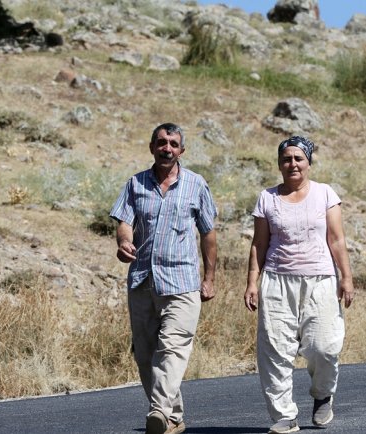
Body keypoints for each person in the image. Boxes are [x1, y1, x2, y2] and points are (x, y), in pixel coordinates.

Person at [110, 122, 218, 434]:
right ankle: (173, 417)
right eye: (161, 142)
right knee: (145, 355)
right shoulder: (135, 183)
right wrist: (124, 242)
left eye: (173, 143)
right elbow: (124, 222)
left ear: (181, 150)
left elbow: (208, 234)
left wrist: (209, 278)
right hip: (143, 280)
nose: (166, 148)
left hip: (182, 282)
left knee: (171, 347)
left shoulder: (196, 185)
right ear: (152, 147)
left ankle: (158, 410)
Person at [244, 135, 355, 434]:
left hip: (320, 280)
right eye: (286, 159)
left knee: (324, 346)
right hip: (277, 281)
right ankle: (284, 416)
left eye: (298, 158)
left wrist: (346, 277)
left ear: (308, 162)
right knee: (275, 351)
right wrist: (252, 282)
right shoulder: (267, 198)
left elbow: (337, 239)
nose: (292, 164)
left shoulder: (325, 194)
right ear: (279, 164)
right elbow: (259, 244)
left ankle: (323, 394)